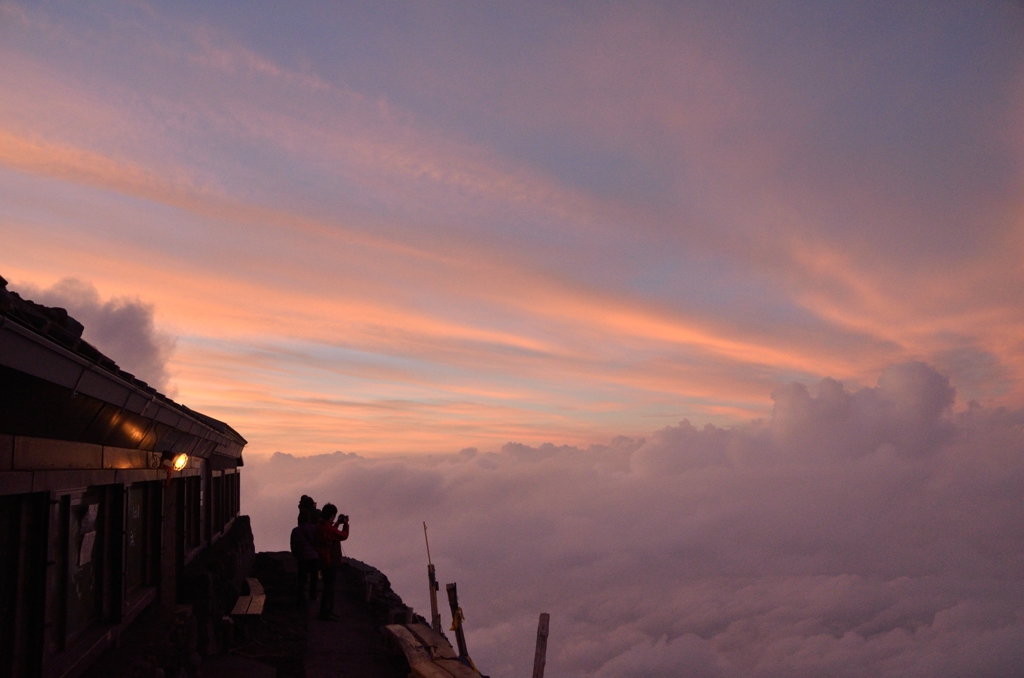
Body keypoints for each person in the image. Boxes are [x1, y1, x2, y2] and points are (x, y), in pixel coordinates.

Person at [315, 503, 349, 621]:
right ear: (331, 515)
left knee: (327, 587)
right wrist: (346, 525)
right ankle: (326, 613)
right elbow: (343, 536)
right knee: (329, 588)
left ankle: (326, 611)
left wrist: (337, 524)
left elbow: (331, 532)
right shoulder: (327, 528)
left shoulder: (320, 526)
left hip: (323, 559)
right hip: (330, 561)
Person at [290, 509, 319, 604]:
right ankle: (313, 596)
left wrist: (297, 555)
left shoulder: (295, 531)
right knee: (314, 578)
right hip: (314, 556)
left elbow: (293, 545)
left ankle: (300, 598)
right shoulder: (314, 528)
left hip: (302, 557)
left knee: (302, 579)